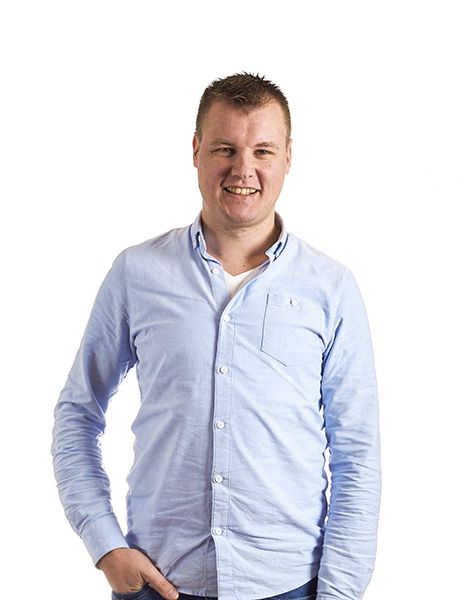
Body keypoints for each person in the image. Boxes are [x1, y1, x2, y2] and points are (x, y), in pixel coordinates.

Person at [52, 73, 381, 600]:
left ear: (288, 157)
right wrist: (105, 544)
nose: (243, 169)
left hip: (291, 585)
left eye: (263, 150)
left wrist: (339, 593)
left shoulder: (331, 287)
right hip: (157, 582)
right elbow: (77, 412)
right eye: (225, 148)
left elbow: (357, 452)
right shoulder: (137, 273)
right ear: (196, 151)